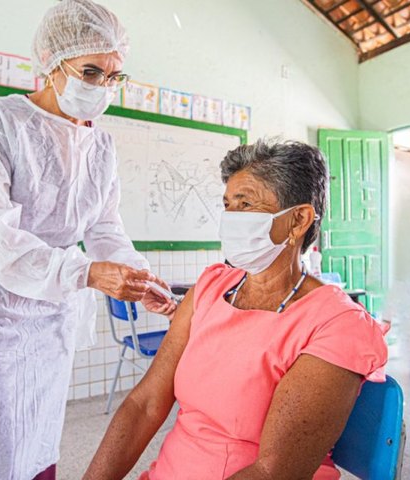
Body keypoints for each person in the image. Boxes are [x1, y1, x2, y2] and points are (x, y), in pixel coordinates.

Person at [0, 1, 175, 479]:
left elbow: (104, 227)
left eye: (113, 76)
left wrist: (137, 274)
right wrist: (83, 271)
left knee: (39, 435)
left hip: (50, 318)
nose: (103, 87)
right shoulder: (0, 122)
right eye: (91, 71)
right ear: (51, 60)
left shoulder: (100, 145)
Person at [84, 139, 389, 480]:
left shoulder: (336, 325)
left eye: (246, 204)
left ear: (298, 219)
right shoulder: (213, 287)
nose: (230, 218)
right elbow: (145, 404)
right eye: (227, 204)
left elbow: (272, 472)